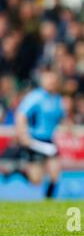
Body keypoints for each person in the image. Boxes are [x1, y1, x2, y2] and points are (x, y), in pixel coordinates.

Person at [3, 69, 66, 198]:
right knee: (36, 180)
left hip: (48, 141)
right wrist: (23, 135)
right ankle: (18, 171)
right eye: (49, 79)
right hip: (34, 140)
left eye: (54, 79)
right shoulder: (35, 97)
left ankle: (49, 202)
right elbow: (21, 115)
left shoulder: (57, 99)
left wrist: (69, 126)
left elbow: (61, 117)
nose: (52, 82)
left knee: (55, 173)